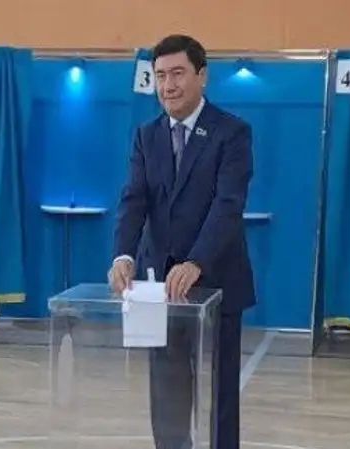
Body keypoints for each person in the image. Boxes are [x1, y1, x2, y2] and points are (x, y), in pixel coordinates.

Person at [108, 34, 255, 449]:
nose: (168, 86)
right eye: (160, 76)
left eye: (177, 74)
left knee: (219, 393)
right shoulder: (146, 135)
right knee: (167, 390)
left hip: (217, 282)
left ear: (201, 76)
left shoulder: (232, 132)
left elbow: (228, 205)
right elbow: (134, 199)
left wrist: (196, 262)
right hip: (158, 287)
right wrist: (123, 254)